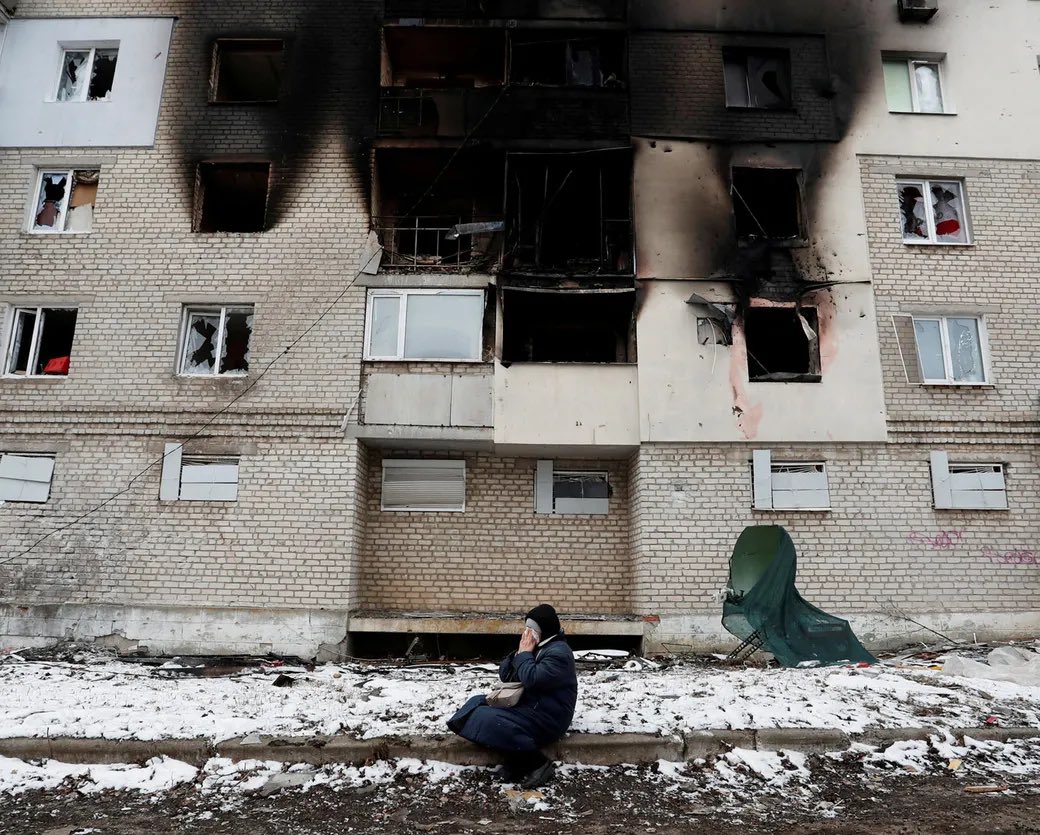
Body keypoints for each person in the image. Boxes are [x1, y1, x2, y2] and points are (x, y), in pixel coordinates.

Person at [447, 604, 577, 789]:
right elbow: (506, 675)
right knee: (478, 702)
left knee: (489, 719)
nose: (528, 634)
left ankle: (538, 763)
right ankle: (518, 760)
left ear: (544, 630)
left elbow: (533, 678)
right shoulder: (539, 646)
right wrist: (519, 653)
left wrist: (525, 654)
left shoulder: (559, 653)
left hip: (550, 716)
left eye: (532, 630)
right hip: (533, 705)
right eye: (526, 629)